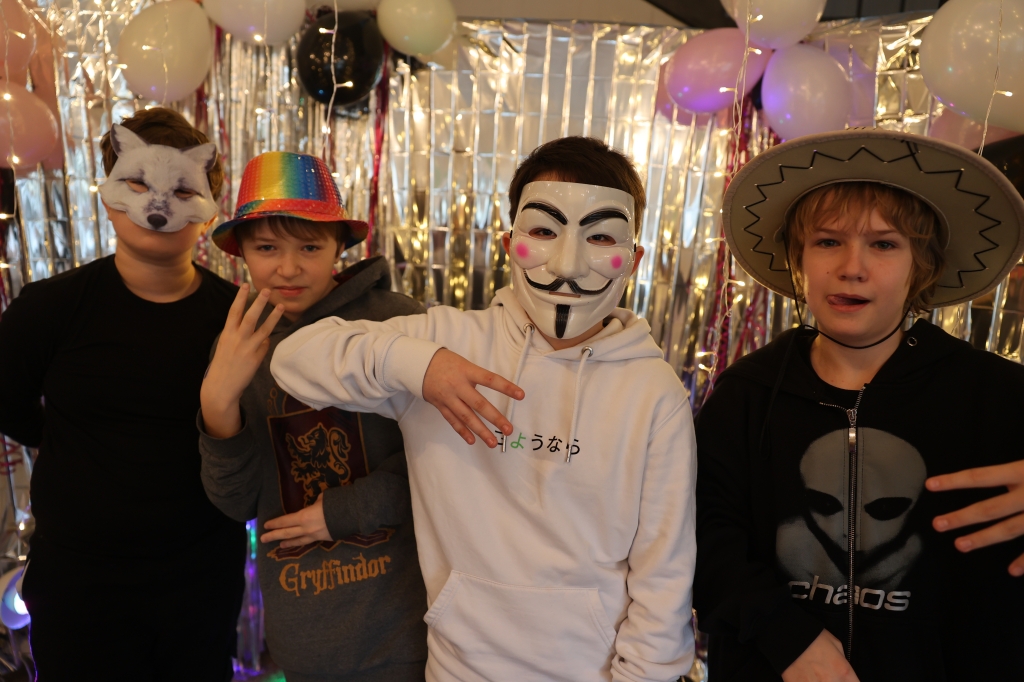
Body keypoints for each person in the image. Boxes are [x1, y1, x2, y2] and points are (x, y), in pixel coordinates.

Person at [269, 137, 697, 681]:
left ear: (633, 259)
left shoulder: (653, 392)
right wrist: (420, 365)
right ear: (509, 242)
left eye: (600, 237)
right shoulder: (448, 341)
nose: (567, 263)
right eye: (544, 231)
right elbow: (295, 360)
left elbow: (664, 572)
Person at [694, 128, 1024, 682]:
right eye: (828, 242)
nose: (852, 267)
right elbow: (701, 538)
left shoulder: (999, 396)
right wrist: (786, 637)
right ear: (798, 258)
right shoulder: (745, 395)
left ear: (921, 265)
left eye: (884, 244)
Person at [0, 108, 246, 681]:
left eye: (183, 189)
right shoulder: (49, 309)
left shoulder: (238, 318)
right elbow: (8, 402)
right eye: (136, 183)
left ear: (210, 209)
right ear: (109, 197)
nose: (158, 205)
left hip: (200, 582)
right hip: (79, 584)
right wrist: (70, 447)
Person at [198, 151, 428, 682]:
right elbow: (236, 502)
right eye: (266, 248)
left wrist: (344, 511)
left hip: (404, 625)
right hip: (303, 639)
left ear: (339, 246)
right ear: (241, 250)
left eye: (309, 246)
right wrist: (217, 406)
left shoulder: (397, 323)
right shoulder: (237, 342)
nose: (288, 267)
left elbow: (443, 462)